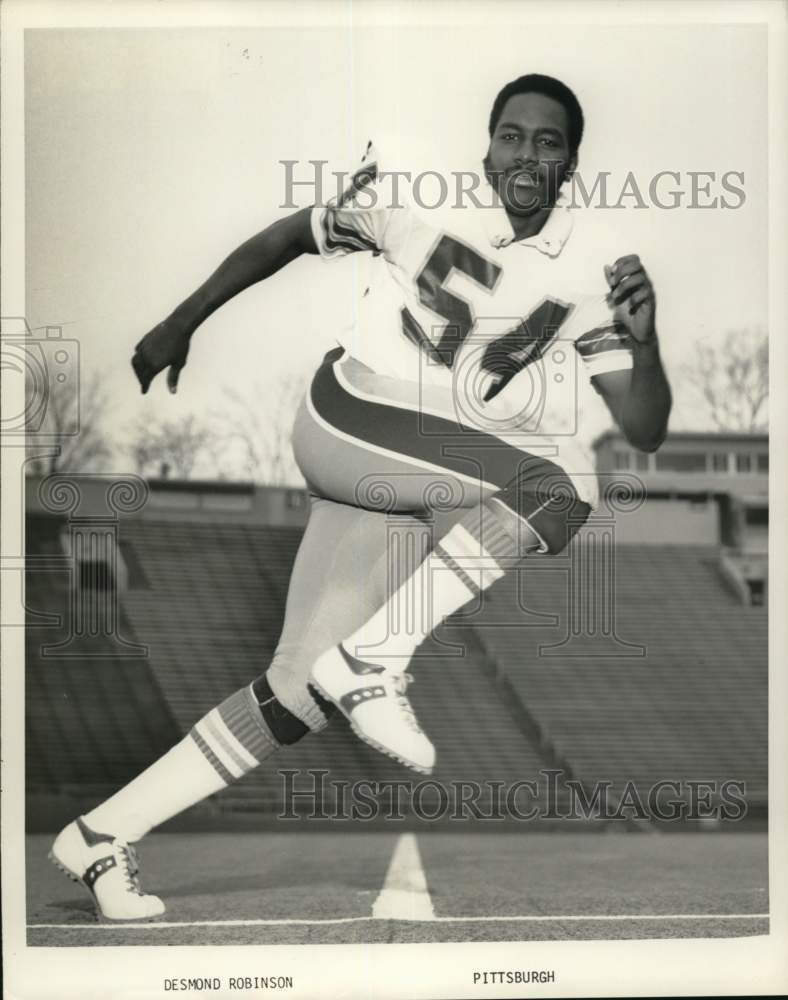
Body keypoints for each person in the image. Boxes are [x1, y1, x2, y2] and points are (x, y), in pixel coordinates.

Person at [50, 74, 671, 920]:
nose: (528, 154)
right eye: (514, 137)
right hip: (349, 412)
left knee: (296, 693)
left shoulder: (590, 276)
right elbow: (290, 236)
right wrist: (181, 319)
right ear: (487, 149)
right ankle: (379, 660)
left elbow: (642, 424)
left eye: (549, 142)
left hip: (402, 481)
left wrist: (650, 341)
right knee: (559, 488)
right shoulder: (418, 198)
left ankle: (98, 837)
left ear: (572, 164)